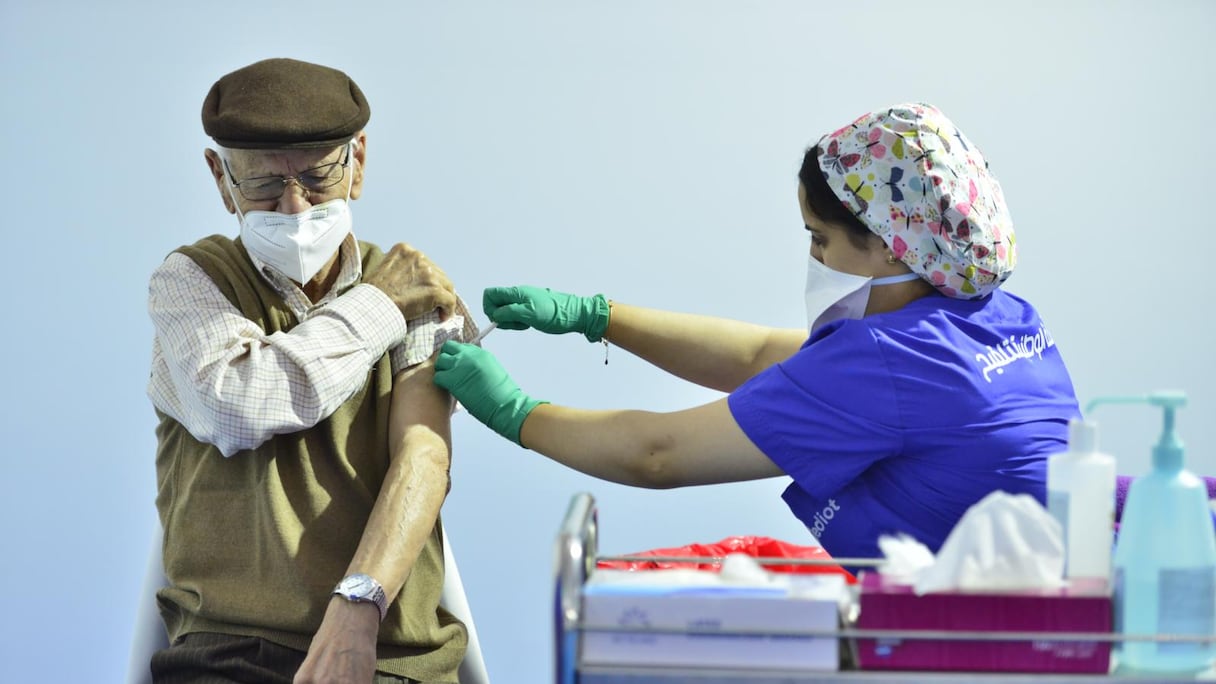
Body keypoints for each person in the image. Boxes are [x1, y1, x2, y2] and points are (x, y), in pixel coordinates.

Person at [433, 102, 1081, 564]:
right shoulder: (995, 316)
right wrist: (594, 316)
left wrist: (516, 412)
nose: (816, 262)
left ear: (891, 246)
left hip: (969, 642)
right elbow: (762, 357)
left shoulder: (880, 363)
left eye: (820, 240)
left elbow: (658, 453)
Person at [146, 58, 478, 683]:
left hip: (395, 655)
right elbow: (237, 404)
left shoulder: (418, 288)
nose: (296, 207)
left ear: (358, 161)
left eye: (318, 175)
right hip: (229, 653)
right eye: (265, 185)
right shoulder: (192, 281)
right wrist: (378, 306)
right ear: (221, 179)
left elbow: (423, 461)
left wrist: (358, 608)